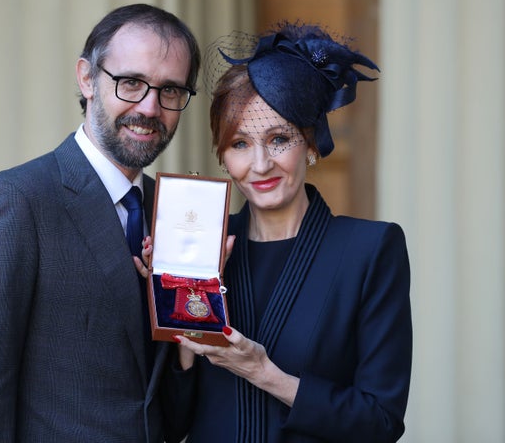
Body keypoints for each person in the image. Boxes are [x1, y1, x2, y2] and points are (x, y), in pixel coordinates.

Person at [0, 3, 200, 442]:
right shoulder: (15, 203)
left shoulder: (171, 213)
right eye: (131, 82)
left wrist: (190, 341)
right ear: (87, 78)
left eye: (170, 90)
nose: (150, 107)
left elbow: (160, 410)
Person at [168, 23, 412, 442]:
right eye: (239, 143)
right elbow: (171, 425)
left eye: (279, 138)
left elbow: (381, 423)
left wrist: (266, 375)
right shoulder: (202, 243)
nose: (260, 164)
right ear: (222, 155)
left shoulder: (368, 251)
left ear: (312, 143)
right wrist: (181, 326)